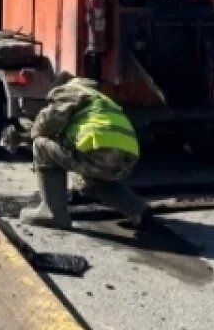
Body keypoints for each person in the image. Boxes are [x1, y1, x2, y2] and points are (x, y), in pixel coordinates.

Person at [19, 73, 151, 230]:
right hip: (127, 158)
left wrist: (28, 136)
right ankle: (138, 209)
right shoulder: (101, 99)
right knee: (92, 183)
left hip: (97, 152)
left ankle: (53, 213)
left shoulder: (73, 90)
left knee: (40, 145)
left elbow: (46, 124)